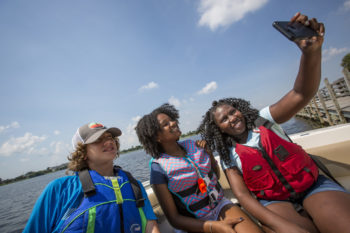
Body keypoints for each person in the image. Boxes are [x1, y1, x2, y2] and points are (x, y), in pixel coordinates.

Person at [198, 12, 350, 233]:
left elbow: (301, 93)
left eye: (233, 112)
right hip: (274, 202)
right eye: (224, 119)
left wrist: (311, 53)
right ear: (218, 128)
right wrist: (280, 225)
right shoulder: (228, 154)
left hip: (312, 186)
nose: (232, 118)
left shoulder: (265, 119)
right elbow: (243, 197)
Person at [135, 104, 263, 233]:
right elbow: (174, 219)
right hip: (192, 223)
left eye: (172, 120)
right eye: (166, 124)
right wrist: (214, 226)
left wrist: (210, 154)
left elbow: (215, 177)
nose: (173, 123)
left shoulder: (194, 146)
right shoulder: (158, 168)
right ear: (156, 136)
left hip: (220, 206)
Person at [23, 122, 160, 233]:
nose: (108, 141)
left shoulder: (134, 185)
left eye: (109, 137)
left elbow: (150, 226)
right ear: (82, 152)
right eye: (98, 140)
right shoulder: (60, 190)